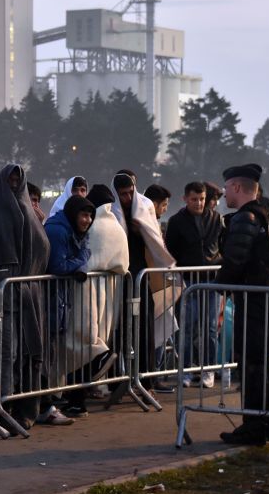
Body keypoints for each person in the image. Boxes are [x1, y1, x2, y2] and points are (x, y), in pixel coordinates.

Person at [0, 164, 51, 430]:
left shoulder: (29, 211)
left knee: (27, 352)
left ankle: (23, 408)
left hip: (27, 298)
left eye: (19, 180)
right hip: (0, 301)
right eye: (11, 179)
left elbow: (42, 248)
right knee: (4, 355)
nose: (15, 183)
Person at [215, 163, 269, 446]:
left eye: (226, 189)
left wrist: (218, 286)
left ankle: (253, 425)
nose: (223, 195)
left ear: (236, 187)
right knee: (264, 362)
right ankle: (266, 421)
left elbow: (234, 261)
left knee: (252, 364)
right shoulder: (268, 216)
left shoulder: (246, 219)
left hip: (254, 299)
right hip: (268, 296)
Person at [58, 184, 129, 415]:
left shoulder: (93, 226)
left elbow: (82, 260)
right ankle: (89, 381)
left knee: (78, 345)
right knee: (93, 338)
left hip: (84, 291)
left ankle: (78, 399)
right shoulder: (117, 227)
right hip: (110, 293)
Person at [112, 173, 177, 394]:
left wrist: (141, 231)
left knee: (145, 330)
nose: (128, 198)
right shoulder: (111, 211)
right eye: (123, 194)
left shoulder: (144, 207)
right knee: (120, 332)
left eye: (131, 193)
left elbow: (154, 238)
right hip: (121, 280)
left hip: (142, 277)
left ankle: (146, 379)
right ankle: (119, 380)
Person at [40, 195, 96, 424]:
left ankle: (44, 405)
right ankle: (43, 407)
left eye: (90, 215)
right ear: (73, 214)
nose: (88, 220)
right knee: (43, 357)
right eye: (84, 215)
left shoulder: (73, 230)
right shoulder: (58, 231)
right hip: (49, 302)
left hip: (58, 302)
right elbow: (59, 266)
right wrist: (82, 258)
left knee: (49, 356)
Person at [165, 181, 223, 388]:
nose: (198, 203)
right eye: (194, 199)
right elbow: (170, 250)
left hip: (210, 279)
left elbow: (222, 246)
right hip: (187, 280)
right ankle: (187, 370)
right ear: (185, 199)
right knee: (187, 328)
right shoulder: (176, 221)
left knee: (209, 329)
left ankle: (208, 369)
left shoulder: (216, 219)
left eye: (201, 199)